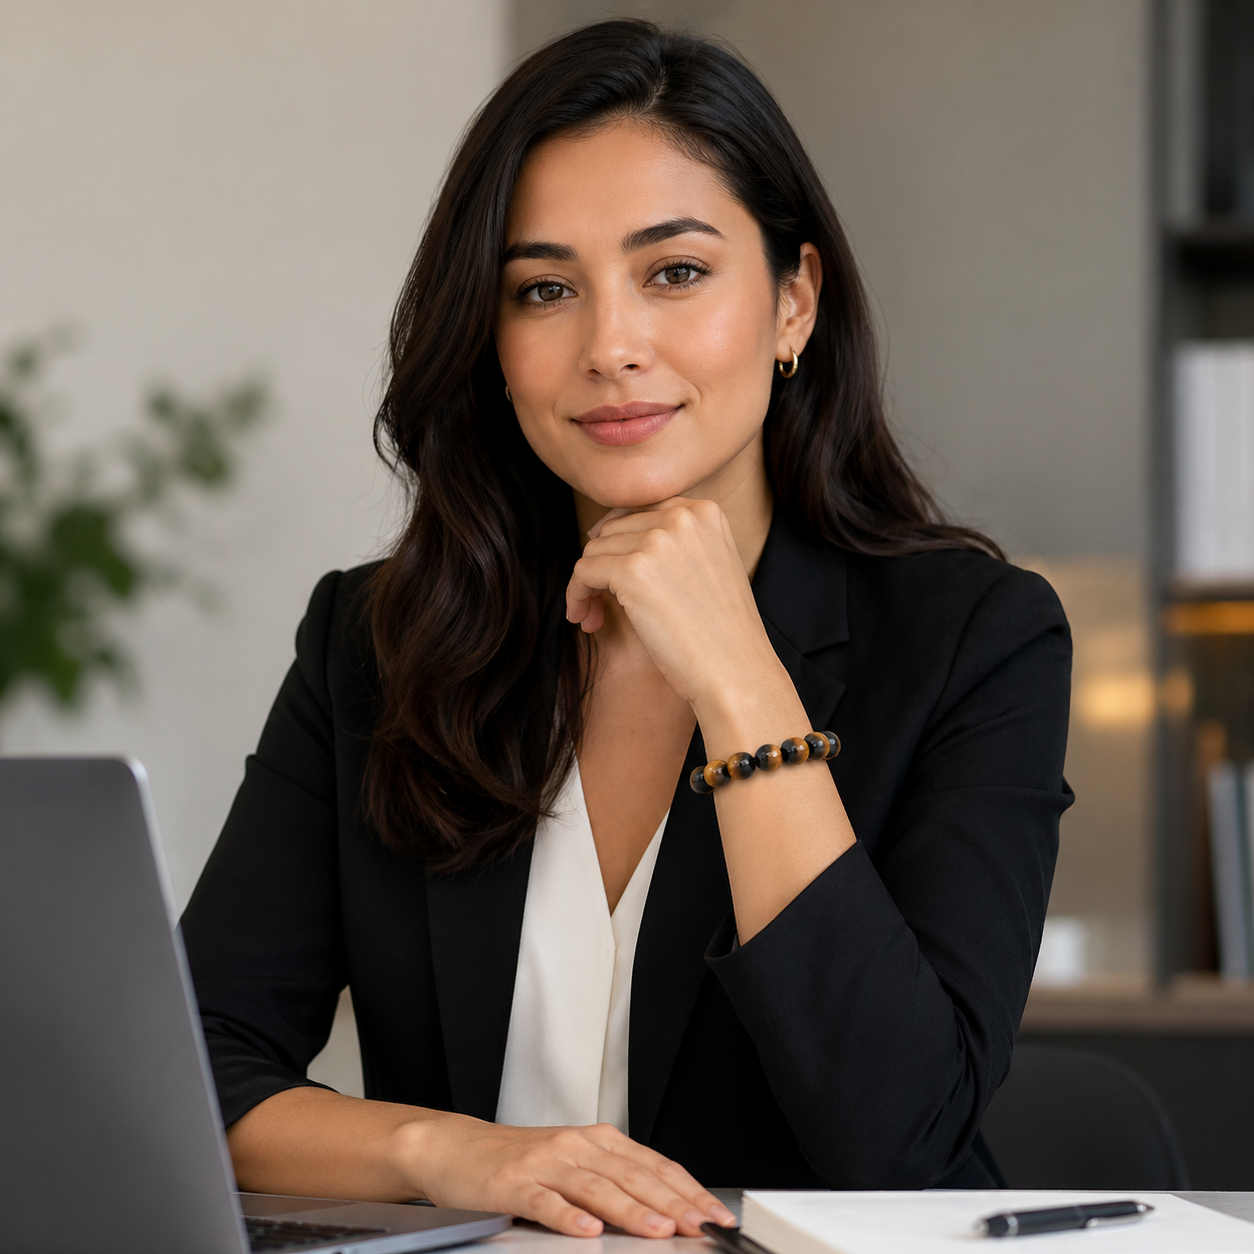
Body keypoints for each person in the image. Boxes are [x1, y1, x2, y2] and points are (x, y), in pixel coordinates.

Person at [181, 18, 1072, 1240]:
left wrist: (737, 672)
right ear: (493, 344)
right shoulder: (376, 642)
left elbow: (899, 1141)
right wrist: (456, 1154)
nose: (610, 347)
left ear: (794, 301)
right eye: (545, 290)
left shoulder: (979, 638)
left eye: (676, 272)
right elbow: (195, 1065)